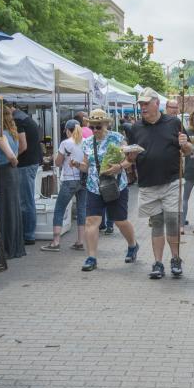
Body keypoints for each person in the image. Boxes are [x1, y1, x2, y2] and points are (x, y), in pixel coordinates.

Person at [127, 88, 189, 279]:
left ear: (156, 103)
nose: (143, 107)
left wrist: (185, 143)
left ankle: (176, 259)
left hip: (171, 181)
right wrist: (129, 156)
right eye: (140, 105)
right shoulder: (135, 128)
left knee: (172, 222)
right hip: (148, 184)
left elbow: (188, 150)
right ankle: (158, 263)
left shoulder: (174, 123)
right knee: (156, 223)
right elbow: (130, 158)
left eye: (146, 104)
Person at [80, 109, 139, 272]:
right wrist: (78, 165)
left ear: (106, 124)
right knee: (91, 221)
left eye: (98, 126)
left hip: (115, 186)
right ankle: (91, 257)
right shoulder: (86, 142)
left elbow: (130, 160)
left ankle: (133, 245)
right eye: (92, 127)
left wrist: (119, 167)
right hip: (94, 186)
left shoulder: (117, 138)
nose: (95, 130)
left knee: (120, 221)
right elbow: (86, 166)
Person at [43, 120, 87, 252]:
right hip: (83, 179)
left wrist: (57, 157)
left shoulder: (66, 143)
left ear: (68, 130)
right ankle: (80, 241)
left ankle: (55, 242)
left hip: (69, 180)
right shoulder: (86, 142)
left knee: (59, 209)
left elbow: (57, 163)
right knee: (81, 211)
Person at [0, 112, 26, 260]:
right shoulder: (13, 134)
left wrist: (13, 163)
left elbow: (12, 156)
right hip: (10, 173)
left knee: (5, 209)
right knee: (11, 209)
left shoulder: (1, 134)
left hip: (4, 172)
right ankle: (13, 246)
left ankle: (7, 247)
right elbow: (16, 153)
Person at [11, 108, 42, 246]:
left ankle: (28, 235)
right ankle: (27, 234)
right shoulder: (25, 117)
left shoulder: (18, 120)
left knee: (25, 200)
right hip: (32, 162)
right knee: (27, 199)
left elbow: (22, 146)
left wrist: (11, 158)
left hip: (25, 164)